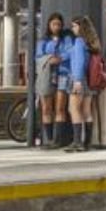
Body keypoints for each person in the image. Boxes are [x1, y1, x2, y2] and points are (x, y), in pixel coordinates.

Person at [35, 14, 73, 149]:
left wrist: (59, 58)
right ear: (49, 25)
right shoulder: (43, 41)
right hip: (47, 75)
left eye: (58, 24)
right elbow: (38, 56)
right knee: (46, 108)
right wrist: (49, 59)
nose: (56, 27)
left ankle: (58, 140)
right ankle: (49, 139)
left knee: (60, 107)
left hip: (62, 74)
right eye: (53, 24)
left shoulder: (66, 39)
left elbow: (69, 53)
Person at [67, 16, 104, 152]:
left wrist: (77, 80)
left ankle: (77, 142)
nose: (72, 29)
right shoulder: (92, 43)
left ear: (81, 27)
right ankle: (87, 143)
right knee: (86, 111)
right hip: (90, 79)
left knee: (73, 109)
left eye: (74, 26)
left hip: (79, 78)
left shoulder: (79, 41)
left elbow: (79, 61)